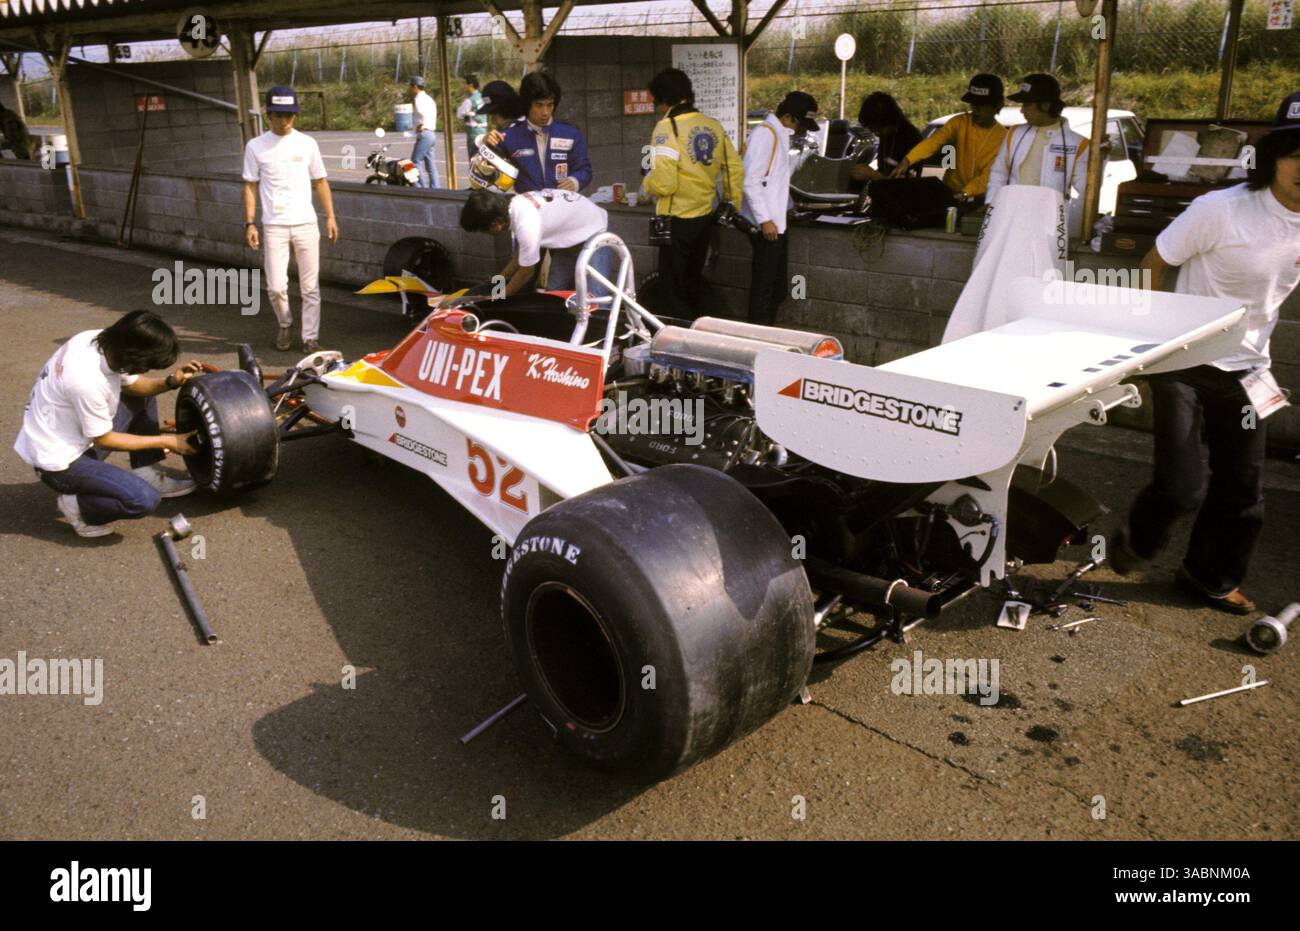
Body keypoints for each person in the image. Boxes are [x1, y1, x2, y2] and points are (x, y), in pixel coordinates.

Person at [1109, 89, 1300, 615]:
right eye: (1294, 153)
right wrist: (1149, 342)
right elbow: (1153, 261)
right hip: (1186, 363)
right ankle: (1137, 541)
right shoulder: (1221, 210)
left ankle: (1207, 577)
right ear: (1272, 158)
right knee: (1183, 487)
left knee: (1243, 490)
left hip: (1248, 369)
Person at [13, 311, 202, 539]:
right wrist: (168, 440)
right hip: (59, 462)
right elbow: (105, 439)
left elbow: (136, 387)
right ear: (134, 357)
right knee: (144, 500)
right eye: (148, 365)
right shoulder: (85, 381)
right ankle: (78, 507)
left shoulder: (99, 340)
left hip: (67, 433)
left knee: (140, 396)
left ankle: (144, 470)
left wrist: (170, 381)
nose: (147, 370)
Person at [242, 85, 339, 354]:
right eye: (278, 115)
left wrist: (330, 217)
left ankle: (310, 337)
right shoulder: (256, 146)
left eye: (289, 115)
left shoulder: (307, 143)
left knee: (310, 287)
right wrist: (250, 222)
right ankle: (285, 324)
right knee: (275, 286)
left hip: (306, 223)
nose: (284, 121)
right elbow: (249, 185)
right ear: (269, 114)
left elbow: (320, 182)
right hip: (273, 225)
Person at [642, 67, 744, 321]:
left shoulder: (666, 128)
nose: (656, 106)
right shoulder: (713, 125)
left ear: (663, 99)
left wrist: (646, 184)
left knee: (672, 288)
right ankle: (701, 332)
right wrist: (733, 202)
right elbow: (734, 168)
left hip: (676, 221)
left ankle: (679, 340)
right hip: (705, 219)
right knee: (693, 280)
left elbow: (664, 184)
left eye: (657, 100)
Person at [742, 91, 818, 326]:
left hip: (777, 222)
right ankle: (758, 339)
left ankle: (767, 333)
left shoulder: (779, 133)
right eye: (799, 123)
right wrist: (765, 219)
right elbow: (750, 181)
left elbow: (775, 175)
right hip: (767, 226)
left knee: (776, 288)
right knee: (764, 289)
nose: (800, 129)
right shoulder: (765, 135)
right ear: (787, 116)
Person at [985, 73, 1091, 238]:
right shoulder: (1013, 133)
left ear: (1046, 105)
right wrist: (991, 206)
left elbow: (1087, 189)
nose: (1021, 110)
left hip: (1050, 225)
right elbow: (998, 173)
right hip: (1011, 219)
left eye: (1027, 105)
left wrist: (1101, 158)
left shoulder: (1079, 143)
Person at [460, 188, 611, 299]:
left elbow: (527, 271)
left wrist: (498, 298)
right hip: (571, 236)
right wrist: (496, 282)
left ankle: (607, 337)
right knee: (554, 293)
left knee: (597, 296)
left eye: (483, 230)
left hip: (593, 229)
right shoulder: (513, 205)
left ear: (496, 223)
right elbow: (520, 257)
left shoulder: (525, 222)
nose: (485, 235)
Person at [890, 74, 1007, 206]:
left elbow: (988, 176)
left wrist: (966, 193)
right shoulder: (959, 122)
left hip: (980, 201)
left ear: (997, 106)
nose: (975, 110)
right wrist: (908, 160)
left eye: (982, 105)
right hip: (951, 193)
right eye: (973, 104)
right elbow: (933, 142)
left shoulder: (1003, 138)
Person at [497, 71, 591, 193]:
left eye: (550, 105)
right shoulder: (509, 136)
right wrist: (483, 142)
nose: (545, 112)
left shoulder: (571, 134)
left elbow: (584, 169)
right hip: (528, 207)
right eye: (539, 105)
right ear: (527, 104)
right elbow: (486, 171)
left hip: (562, 206)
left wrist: (575, 181)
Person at [850, 92, 922, 189]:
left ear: (889, 121)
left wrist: (873, 175)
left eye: (877, 129)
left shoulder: (911, 140)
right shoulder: (887, 135)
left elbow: (907, 188)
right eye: (872, 129)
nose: (876, 134)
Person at [407, 75, 439, 189]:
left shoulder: (418, 99)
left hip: (424, 133)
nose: (410, 89)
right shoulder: (430, 99)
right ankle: (435, 188)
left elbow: (421, 112)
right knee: (430, 164)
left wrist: (421, 124)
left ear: (415, 86)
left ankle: (421, 187)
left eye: (411, 86)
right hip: (431, 133)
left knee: (415, 162)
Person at [479, 79, 524, 154]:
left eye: (494, 113)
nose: (492, 119)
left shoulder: (507, 135)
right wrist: (484, 139)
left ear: (505, 109)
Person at [459, 74, 487, 158]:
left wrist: (468, 114)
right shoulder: (482, 97)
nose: (464, 86)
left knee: (474, 160)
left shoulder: (470, 100)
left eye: (465, 84)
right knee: (482, 159)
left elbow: (459, 114)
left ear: (470, 85)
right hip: (483, 131)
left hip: (473, 133)